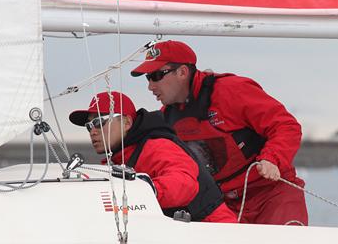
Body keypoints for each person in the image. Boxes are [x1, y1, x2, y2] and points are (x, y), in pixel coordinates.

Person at [130, 40, 308, 225]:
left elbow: (286, 126)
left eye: (156, 75)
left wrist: (272, 159)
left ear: (182, 72)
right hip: (224, 204)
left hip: (271, 194)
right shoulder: (167, 117)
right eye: (147, 78)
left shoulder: (231, 91)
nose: (150, 86)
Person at [69, 91, 237, 223]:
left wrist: (144, 190)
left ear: (127, 123)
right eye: (88, 126)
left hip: (215, 234)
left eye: (99, 121)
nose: (93, 131)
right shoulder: (122, 158)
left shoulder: (157, 146)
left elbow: (185, 183)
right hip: (186, 235)